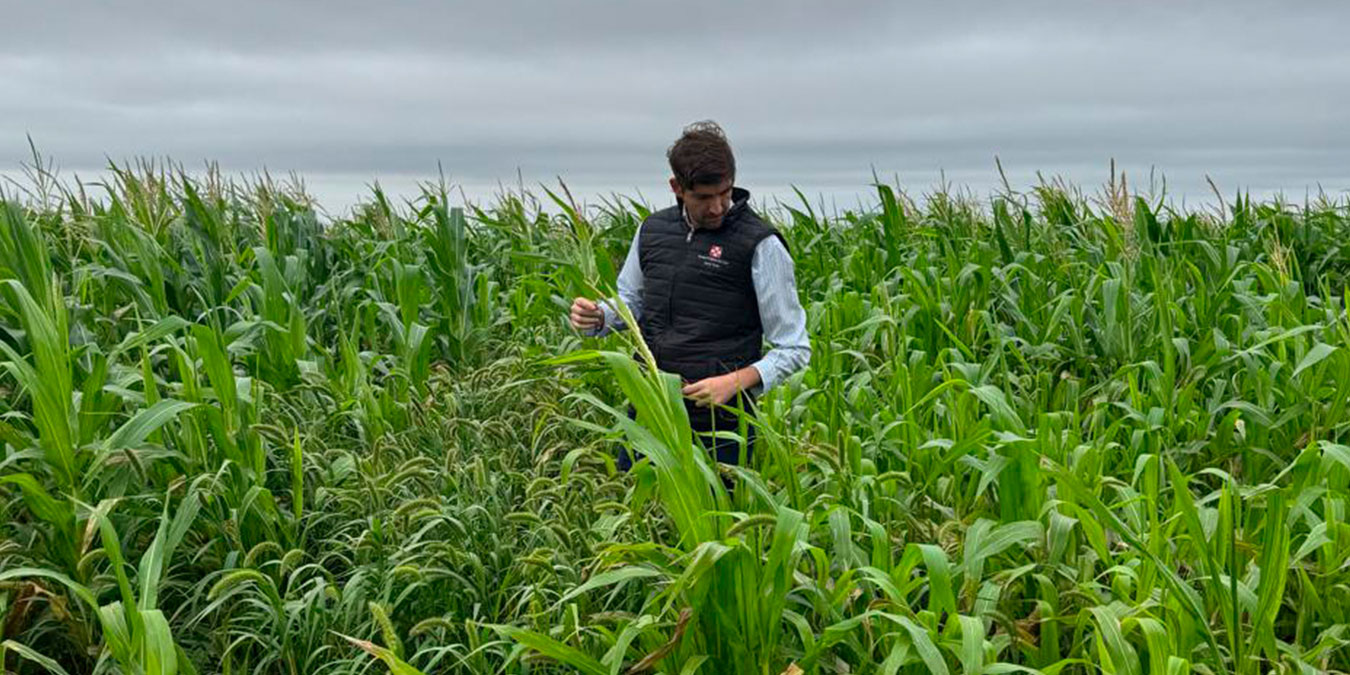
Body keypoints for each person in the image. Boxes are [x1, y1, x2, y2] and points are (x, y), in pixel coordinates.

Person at [568, 120, 810, 470]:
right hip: (651, 406)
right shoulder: (651, 231)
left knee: (712, 522)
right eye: (703, 197)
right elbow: (634, 303)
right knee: (635, 513)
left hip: (721, 424)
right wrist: (601, 316)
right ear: (677, 187)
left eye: (724, 193)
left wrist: (733, 383)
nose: (717, 208)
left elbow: (794, 347)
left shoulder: (761, 245)